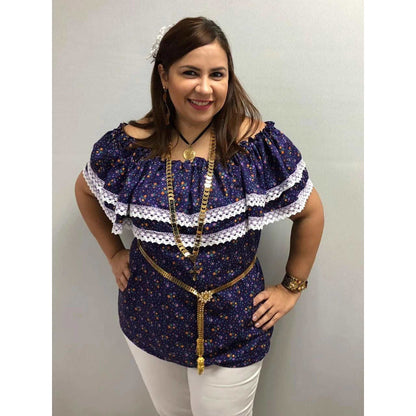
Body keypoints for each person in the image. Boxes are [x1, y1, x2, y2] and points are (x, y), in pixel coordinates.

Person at [75, 16, 324, 416]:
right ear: (164, 75)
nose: (205, 87)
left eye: (217, 74)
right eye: (190, 72)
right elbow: (85, 191)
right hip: (149, 316)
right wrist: (114, 252)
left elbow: (310, 212)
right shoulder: (128, 147)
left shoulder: (258, 146)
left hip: (236, 324)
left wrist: (291, 287)